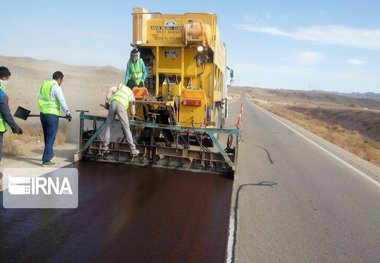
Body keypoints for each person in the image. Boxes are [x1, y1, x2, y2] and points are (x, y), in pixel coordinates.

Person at [38, 71, 71, 166]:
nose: (62, 82)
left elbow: (40, 98)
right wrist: (67, 112)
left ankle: (50, 155)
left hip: (43, 114)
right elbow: (61, 100)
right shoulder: (56, 87)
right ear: (60, 79)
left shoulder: (44, 84)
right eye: (62, 80)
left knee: (47, 137)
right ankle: (46, 160)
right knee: (50, 138)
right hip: (52, 116)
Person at [103, 83, 139, 156]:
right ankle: (133, 149)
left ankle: (105, 147)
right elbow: (132, 107)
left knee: (109, 125)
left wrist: (107, 102)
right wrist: (133, 115)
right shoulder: (131, 94)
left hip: (113, 102)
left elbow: (110, 89)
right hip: (121, 106)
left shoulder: (121, 86)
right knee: (126, 127)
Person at [0, 66, 23, 163]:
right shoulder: (1, 95)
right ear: (3, 78)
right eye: (6, 79)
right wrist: (15, 127)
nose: (7, 82)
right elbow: (6, 114)